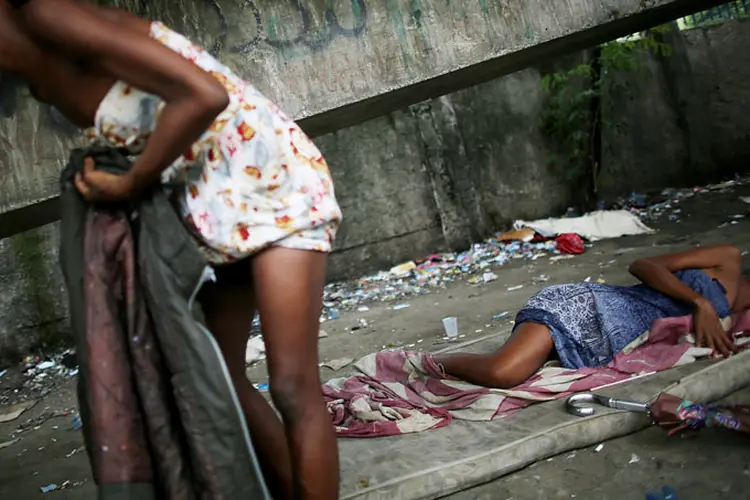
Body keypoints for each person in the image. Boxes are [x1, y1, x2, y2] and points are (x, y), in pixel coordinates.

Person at [1, 1, 341, 498]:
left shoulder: (45, 15)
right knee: (219, 380)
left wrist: (131, 182)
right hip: (210, 208)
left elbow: (204, 95)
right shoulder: (28, 62)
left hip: (272, 183)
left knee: (292, 386)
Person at [436, 244, 749, 389]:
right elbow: (643, 265)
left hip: (601, 348)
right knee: (502, 373)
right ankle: (431, 362)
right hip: (588, 308)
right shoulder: (727, 260)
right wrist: (699, 303)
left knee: (514, 371)